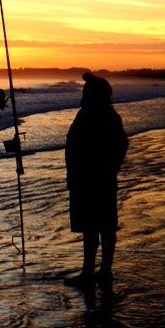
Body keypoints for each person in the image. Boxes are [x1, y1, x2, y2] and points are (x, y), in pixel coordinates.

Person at [64, 72, 128, 288]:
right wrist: (111, 169)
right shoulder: (109, 114)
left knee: (92, 227)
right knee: (104, 226)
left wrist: (106, 169)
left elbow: (77, 147)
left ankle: (90, 273)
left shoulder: (90, 115)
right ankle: (103, 271)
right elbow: (121, 145)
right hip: (102, 179)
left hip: (88, 179)